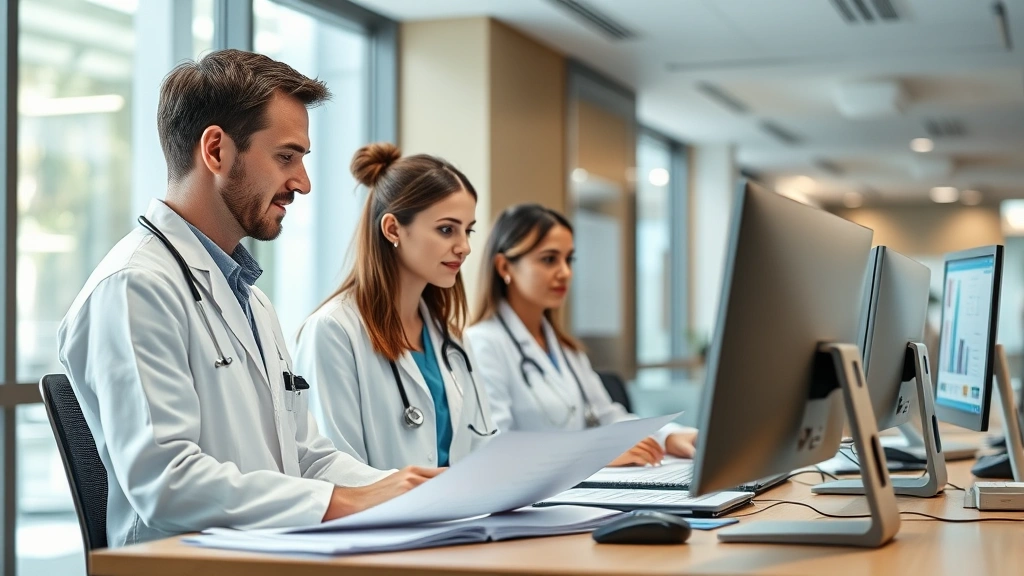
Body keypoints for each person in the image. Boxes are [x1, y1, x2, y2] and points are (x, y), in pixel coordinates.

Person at [57, 50, 440, 547]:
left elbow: (306, 456)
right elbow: (166, 484)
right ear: (215, 150)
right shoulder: (135, 286)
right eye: (286, 156)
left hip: (267, 551)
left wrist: (410, 490)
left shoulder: (250, 299)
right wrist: (341, 502)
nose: (302, 182)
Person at [294, 143, 495, 471]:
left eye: (467, 230)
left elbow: (481, 447)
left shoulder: (452, 339)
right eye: (447, 229)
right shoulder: (334, 330)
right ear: (392, 229)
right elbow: (331, 468)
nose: (465, 247)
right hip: (383, 520)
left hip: (461, 515)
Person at [465, 203, 697, 466]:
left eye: (569, 259)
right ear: (504, 267)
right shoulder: (482, 344)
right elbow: (495, 447)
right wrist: (594, 455)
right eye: (549, 259)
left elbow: (609, 417)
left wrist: (667, 437)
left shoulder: (565, 349)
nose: (565, 272)